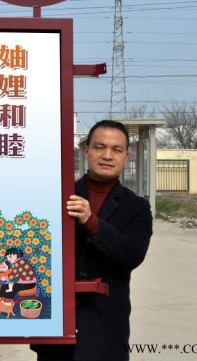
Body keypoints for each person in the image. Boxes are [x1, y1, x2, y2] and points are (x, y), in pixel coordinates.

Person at [31, 120, 153, 361]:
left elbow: (132, 254)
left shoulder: (137, 207)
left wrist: (91, 221)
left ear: (126, 156)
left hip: (105, 327)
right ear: (86, 151)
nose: (107, 155)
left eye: (116, 149)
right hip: (57, 324)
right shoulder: (57, 197)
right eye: (100, 147)